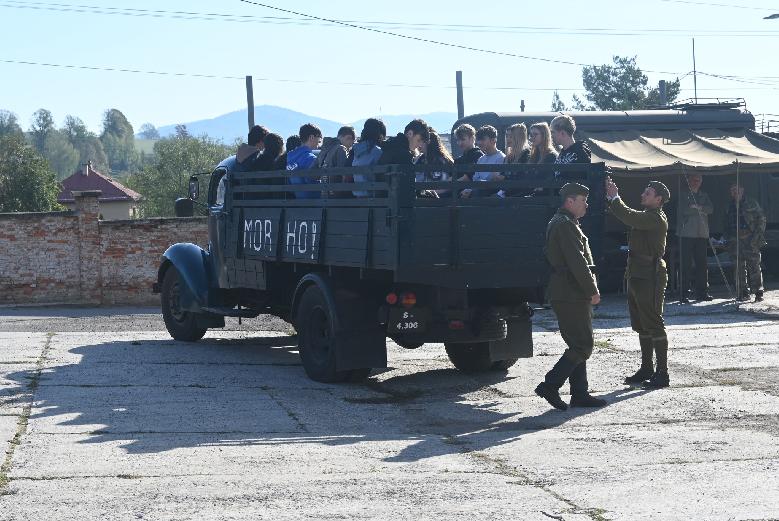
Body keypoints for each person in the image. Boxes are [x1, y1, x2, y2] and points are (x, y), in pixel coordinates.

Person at [535, 183, 605, 410]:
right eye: (583, 200)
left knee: (577, 342)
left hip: (568, 290)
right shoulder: (565, 225)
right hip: (570, 292)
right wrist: (592, 290)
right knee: (583, 345)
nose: (586, 204)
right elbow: (578, 262)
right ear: (570, 202)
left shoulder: (565, 223)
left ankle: (580, 393)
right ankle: (550, 385)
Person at [606, 176, 671, 389]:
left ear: (659, 199)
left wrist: (615, 197)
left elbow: (628, 216)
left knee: (653, 321)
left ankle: (662, 373)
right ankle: (647, 368)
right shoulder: (647, 215)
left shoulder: (655, 218)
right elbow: (628, 216)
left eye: (648, 193)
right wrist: (611, 198)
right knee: (641, 324)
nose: (643, 195)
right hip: (637, 273)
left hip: (650, 275)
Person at [725, 183, 766, 302]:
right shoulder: (729, 206)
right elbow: (725, 224)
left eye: (737, 190)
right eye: (732, 190)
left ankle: (758, 292)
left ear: (742, 190)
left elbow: (761, 219)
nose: (735, 192)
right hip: (735, 239)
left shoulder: (752, 203)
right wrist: (727, 237)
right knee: (738, 267)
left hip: (750, 238)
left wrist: (757, 236)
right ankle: (742, 292)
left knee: (754, 265)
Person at [677, 174, 714, 302]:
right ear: (688, 181)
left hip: (701, 234)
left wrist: (697, 207)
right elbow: (685, 211)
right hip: (686, 233)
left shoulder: (704, 195)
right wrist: (700, 209)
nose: (696, 182)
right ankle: (684, 294)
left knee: (702, 265)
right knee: (685, 265)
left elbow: (711, 209)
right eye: (693, 180)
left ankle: (702, 293)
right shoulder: (683, 195)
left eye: (698, 180)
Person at [461, 125, 505, 198]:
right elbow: (475, 179)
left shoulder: (501, 158)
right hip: (478, 191)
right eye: (478, 140)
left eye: (483, 139)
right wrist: (468, 190)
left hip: (489, 194)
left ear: (493, 140)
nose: (479, 142)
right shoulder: (481, 159)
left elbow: (494, 181)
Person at [351, 118, 386, 197]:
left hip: (357, 196)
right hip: (373, 196)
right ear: (380, 134)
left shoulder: (355, 150)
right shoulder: (377, 151)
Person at [287, 123, 323, 199]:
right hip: (314, 201)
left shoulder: (289, 156)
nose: (319, 144)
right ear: (311, 137)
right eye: (319, 140)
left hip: (298, 199)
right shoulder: (311, 158)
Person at [552, 114, 590, 179]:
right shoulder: (562, 154)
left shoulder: (581, 151)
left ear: (562, 133)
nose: (551, 135)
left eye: (553, 132)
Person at [415, 131, 453, 197]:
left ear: (428, 142)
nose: (419, 144)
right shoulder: (420, 160)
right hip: (424, 197)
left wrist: (431, 192)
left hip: (441, 198)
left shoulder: (441, 160)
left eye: (422, 141)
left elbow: (447, 182)